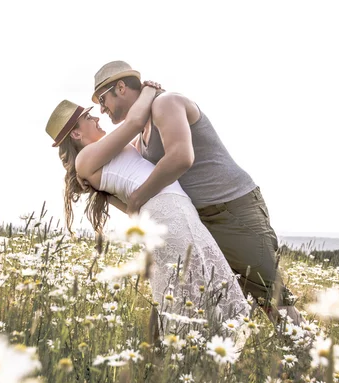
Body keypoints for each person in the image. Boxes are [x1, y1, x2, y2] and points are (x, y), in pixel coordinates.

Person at [90, 61, 304, 326]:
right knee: (219, 300)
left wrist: (137, 198)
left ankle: (310, 361)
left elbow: (181, 157)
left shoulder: (165, 104)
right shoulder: (140, 137)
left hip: (232, 210)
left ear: (120, 88)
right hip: (201, 221)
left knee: (272, 299)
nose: (101, 109)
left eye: (102, 99)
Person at [45, 83, 249, 335]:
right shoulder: (85, 159)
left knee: (195, 286)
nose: (97, 117)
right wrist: (150, 90)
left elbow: (132, 203)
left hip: (169, 208)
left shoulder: (103, 154)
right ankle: (204, 351)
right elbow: (134, 122)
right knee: (196, 287)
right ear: (76, 135)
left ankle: (197, 354)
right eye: (88, 117)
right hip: (168, 208)